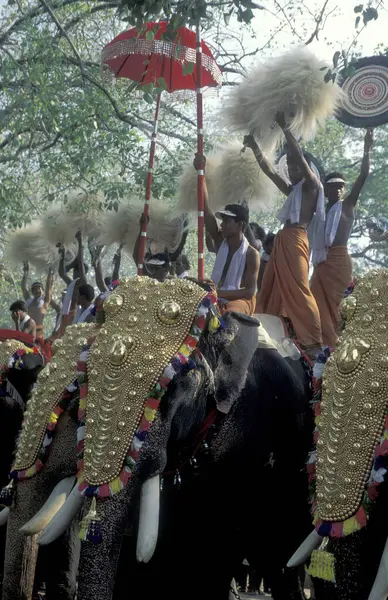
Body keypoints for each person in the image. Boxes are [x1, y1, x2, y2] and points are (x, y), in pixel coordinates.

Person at [245, 111, 323, 356]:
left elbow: (299, 156)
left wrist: (283, 127)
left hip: (297, 239)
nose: (290, 167)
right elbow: (270, 171)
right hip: (283, 240)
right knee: (271, 287)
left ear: (306, 167)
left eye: (293, 163)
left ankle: (314, 342)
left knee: (299, 289)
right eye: (288, 164)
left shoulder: (312, 186)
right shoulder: (294, 191)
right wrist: (254, 146)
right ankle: (273, 332)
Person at [310, 128, 374, 347]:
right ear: (325, 190)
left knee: (339, 307)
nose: (337, 190)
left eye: (340, 187)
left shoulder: (347, 205)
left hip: (339, 262)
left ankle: (340, 348)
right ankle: (320, 349)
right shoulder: (319, 211)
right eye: (332, 187)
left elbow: (364, 174)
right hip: (321, 263)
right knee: (315, 304)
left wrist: (367, 147)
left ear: (345, 189)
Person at [195, 154, 260, 316]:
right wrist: (200, 172)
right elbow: (205, 209)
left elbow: (249, 291)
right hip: (216, 296)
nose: (222, 224)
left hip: (240, 302)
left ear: (240, 225)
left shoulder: (252, 254)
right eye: (222, 220)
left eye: (227, 221)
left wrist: (218, 293)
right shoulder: (219, 241)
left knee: (231, 313)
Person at [21, 262, 58, 338]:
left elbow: (48, 287)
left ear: (43, 290)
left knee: (37, 349)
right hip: (27, 330)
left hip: (38, 332)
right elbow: (23, 287)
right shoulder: (29, 301)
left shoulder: (45, 301)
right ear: (32, 292)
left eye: (39, 289)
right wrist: (25, 272)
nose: (37, 290)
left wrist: (50, 273)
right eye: (34, 289)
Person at [133, 215, 171, 282]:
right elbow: (136, 256)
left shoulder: (173, 285)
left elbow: (136, 256)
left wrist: (142, 228)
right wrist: (142, 228)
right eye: (150, 267)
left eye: (156, 268)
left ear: (166, 269)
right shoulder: (148, 279)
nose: (152, 271)